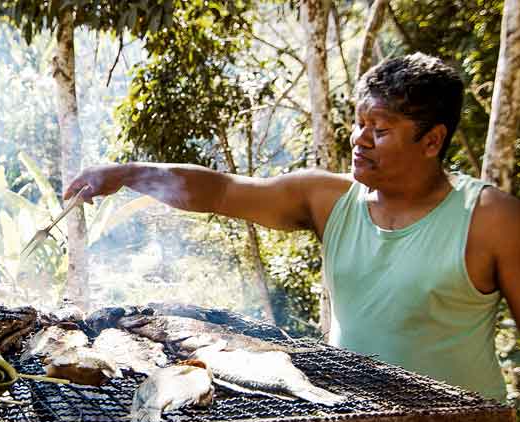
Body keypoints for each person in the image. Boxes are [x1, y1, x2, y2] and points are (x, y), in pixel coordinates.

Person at [64, 52, 520, 401]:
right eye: (359, 123)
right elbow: (223, 191)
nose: (359, 140)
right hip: (355, 421)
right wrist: (127, 174)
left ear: (433, 140)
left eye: (379, 130)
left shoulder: (489, 217)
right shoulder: (329, 199)